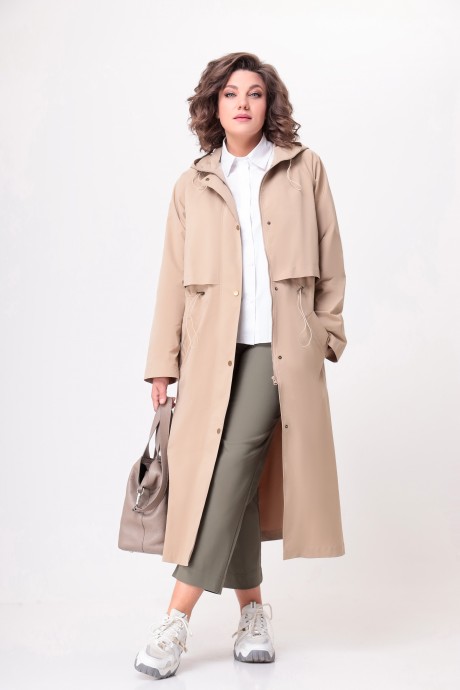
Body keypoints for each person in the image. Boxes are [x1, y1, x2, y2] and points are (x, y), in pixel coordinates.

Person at [135, 51, 347, 680]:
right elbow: (172, 277)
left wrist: (324, 333)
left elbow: (331, 254)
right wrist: (162, 363)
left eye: (255, 93)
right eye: (231, 94)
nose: (243, 103)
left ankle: (175, 618)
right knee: (240, 481)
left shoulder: (304, 167)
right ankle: (253, 612)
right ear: (215, 105)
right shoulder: (192, 184)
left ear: (269, 103)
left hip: (278, 350)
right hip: (211, 354)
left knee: (227, 469)